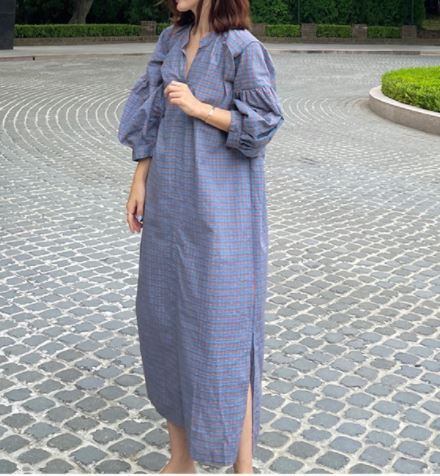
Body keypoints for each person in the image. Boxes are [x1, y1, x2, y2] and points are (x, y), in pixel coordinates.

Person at [117, 0, 284, 472]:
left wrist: (200, 108)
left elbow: (264, 123)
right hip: (169, 209)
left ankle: (242, 468)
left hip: (223, 215)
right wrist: (139, 179)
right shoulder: (171, 40)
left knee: (225, 336)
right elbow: (151, 113)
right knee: (166, 325)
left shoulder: (242, 49)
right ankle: (181, 460)